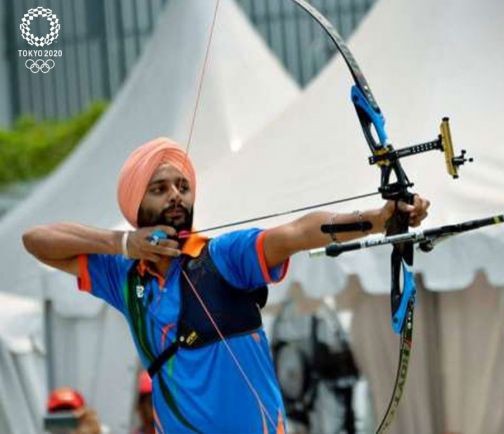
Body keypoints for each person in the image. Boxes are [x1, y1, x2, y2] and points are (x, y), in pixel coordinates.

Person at [23, 137, 430, 433]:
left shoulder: (222, 256)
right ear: (135, 204)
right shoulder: (124, 278)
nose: (176, 196)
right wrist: (122, 243)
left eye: (183, 187)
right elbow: (37, 240)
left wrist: (379, 219)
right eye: (160, 189)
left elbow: (297, 232)